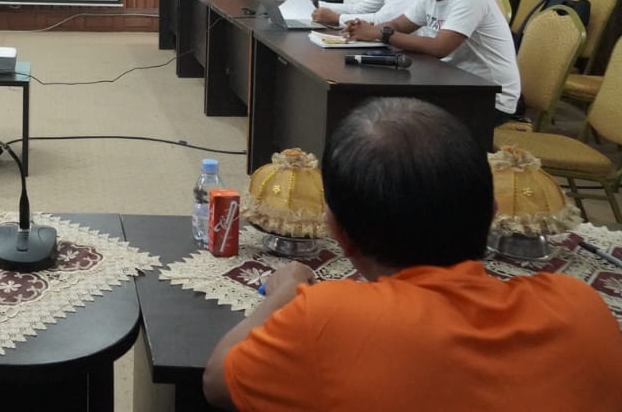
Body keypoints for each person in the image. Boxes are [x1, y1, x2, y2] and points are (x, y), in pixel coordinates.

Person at [204, 98, 622, 411]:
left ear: (336, 232)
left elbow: (218, 380)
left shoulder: (327, 318)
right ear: (492, 215)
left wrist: (286, 292)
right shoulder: (581, 306)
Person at [345, 0, 520, 123]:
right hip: (455, 83)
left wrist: (381, 33)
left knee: (396, 120)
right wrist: (365, 29)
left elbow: (439, 47)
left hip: (490, 97)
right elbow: (399, 24)